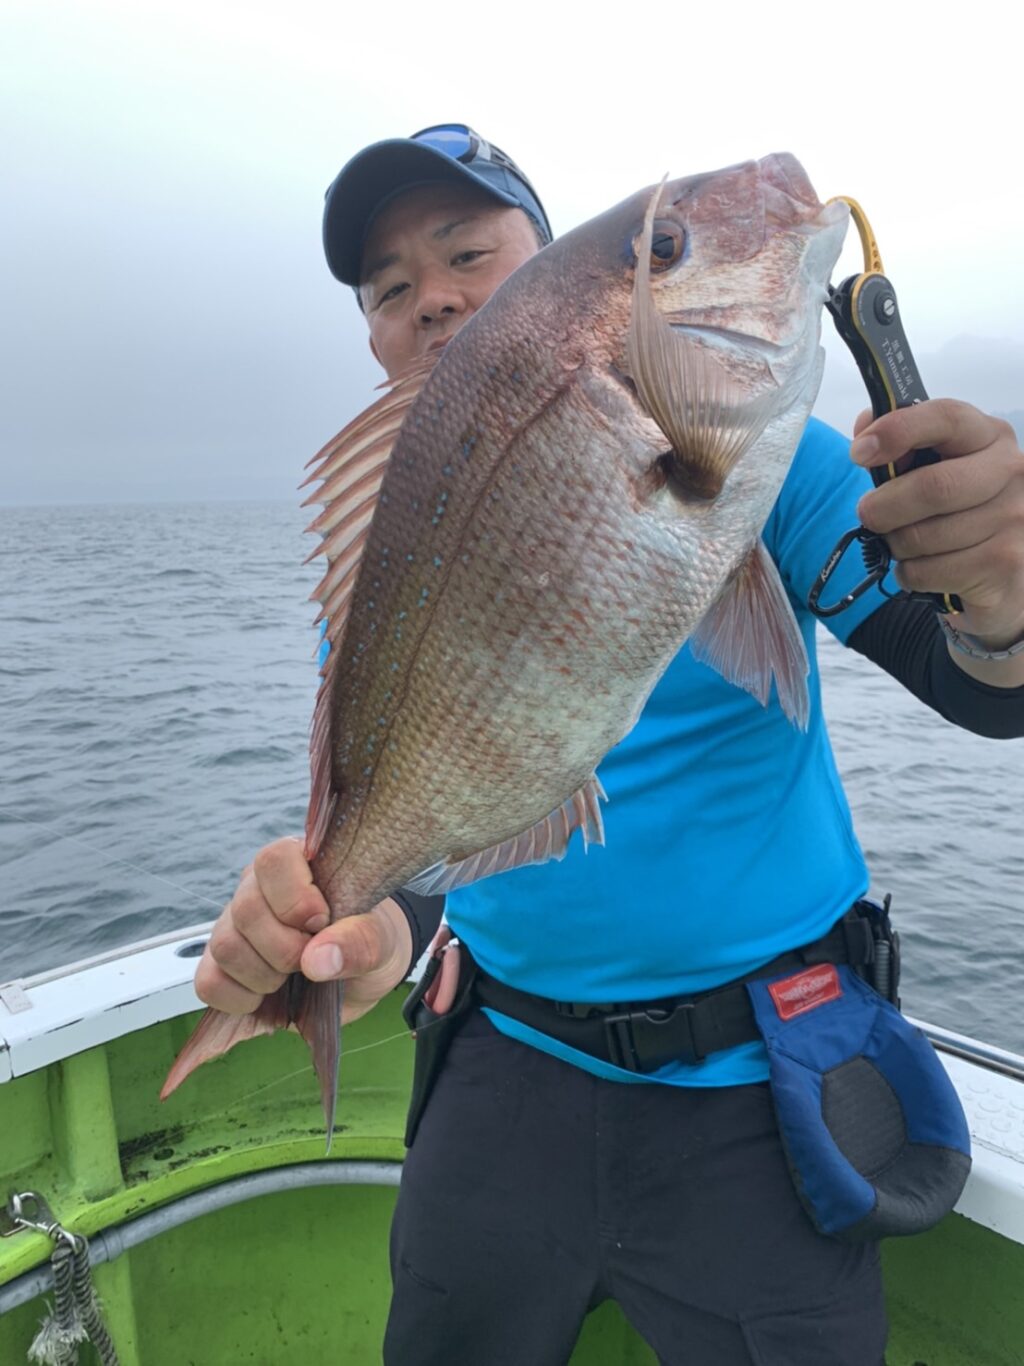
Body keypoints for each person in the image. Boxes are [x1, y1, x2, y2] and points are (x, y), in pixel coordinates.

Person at [195, 125, 1024, 1365]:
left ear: (547, 270)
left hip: (758, 1075)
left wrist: (1000, 600)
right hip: (500, 1060)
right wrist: (362, 933)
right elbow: (426, 830)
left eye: (466, 252)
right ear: (373, 335)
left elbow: (980, 687)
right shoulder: (379, 574)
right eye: (388, 287)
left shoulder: (771, 457)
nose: (432, 298)